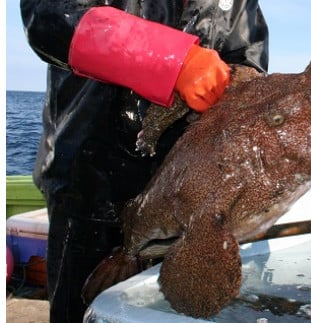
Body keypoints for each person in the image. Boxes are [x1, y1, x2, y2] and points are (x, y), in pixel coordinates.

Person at [20, 1, 269, 322]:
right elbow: (49, 17)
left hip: (188, 206)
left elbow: (248, 58)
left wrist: (241, 79)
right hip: (88, 190)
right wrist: (175, 61)